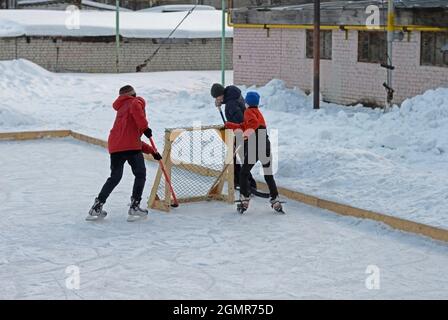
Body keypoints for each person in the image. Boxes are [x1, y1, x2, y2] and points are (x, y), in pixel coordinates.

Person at [88, 85, 162, 221]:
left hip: (115, 146)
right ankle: (135, 205)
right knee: (140, 174)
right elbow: (136, 123)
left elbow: (130, 138)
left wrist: (152, 151)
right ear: (132, 94)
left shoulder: (121, 108)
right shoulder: (135, 102)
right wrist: (145, 128)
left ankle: (97, 206)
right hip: (131, 147)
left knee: (115, 177)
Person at [225, 91, 284, 214]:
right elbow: (247, 124)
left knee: (243, 173)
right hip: (265, 146)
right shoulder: (257, 113)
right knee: (268, 175)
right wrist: (232, 125)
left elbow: (252, 125)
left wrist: (246, 136)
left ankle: (244, 198)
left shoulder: (248, 112)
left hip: (255, 147)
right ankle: (275, 198)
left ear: (246, 103)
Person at [210, 83, 257, 190]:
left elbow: (240, 119)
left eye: (217, 97)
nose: (217, 99)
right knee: (235, 157)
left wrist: (231, 127)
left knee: (237, 158)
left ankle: (248, 184)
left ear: (221, 94)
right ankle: (241, 182)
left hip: (242, 133)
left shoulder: (231, 104)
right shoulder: (233, 94)